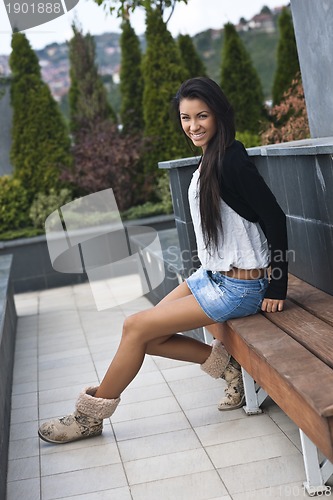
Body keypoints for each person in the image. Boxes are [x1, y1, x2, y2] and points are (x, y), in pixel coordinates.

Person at [38, 77, 288, 444]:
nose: (193, 126)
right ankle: (230, 369)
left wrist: (278, 283)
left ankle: (88, 417)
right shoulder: (210, 159)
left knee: (137, 326)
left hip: (241, 287)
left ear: (218, 114)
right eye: (186, 118)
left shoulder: (232, 160)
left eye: (202, 116)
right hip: (214, 276)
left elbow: (275, 218)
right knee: (144, 334)